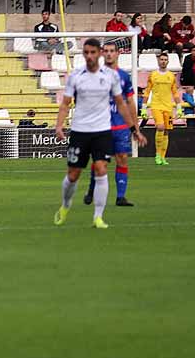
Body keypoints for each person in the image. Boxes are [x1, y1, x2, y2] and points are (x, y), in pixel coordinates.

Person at [54, 39, 144, 229]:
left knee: (101, 168)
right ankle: (65, 205)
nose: (89, 56)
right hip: (80, 130)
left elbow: (121, 104)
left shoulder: (111, 76)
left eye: (93, 52)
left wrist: (133, 129)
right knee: (73, 174)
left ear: (99, 54)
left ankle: (98, 217)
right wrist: (59, 126)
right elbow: (65, 104)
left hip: (102, 130)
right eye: (86, 52)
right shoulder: (76, 76)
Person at [84, 42, 136, 209]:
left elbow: (130, 101)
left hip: (120, 128)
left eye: (112, 51)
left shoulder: (124, 76)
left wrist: (135, 126)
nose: (108, 54)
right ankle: (92, 190)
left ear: (118, 53)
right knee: (100, 163)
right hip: (101, 127)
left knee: (122, 159)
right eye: (105, 51)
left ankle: (121, 196)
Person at [145, 51, 181, 165]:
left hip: (168, 107)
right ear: (158, 61)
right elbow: (147, 92)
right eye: (161, 59)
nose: (163, 61)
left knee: (166, 131)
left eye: (165, 60)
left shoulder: (171, 76)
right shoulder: (153, 75)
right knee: (160, 127)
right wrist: (143, 108)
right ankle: (157, 155)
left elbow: (175, 93)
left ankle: (162, 157)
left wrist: (179, 108)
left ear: (168, 61)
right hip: (156, 105)